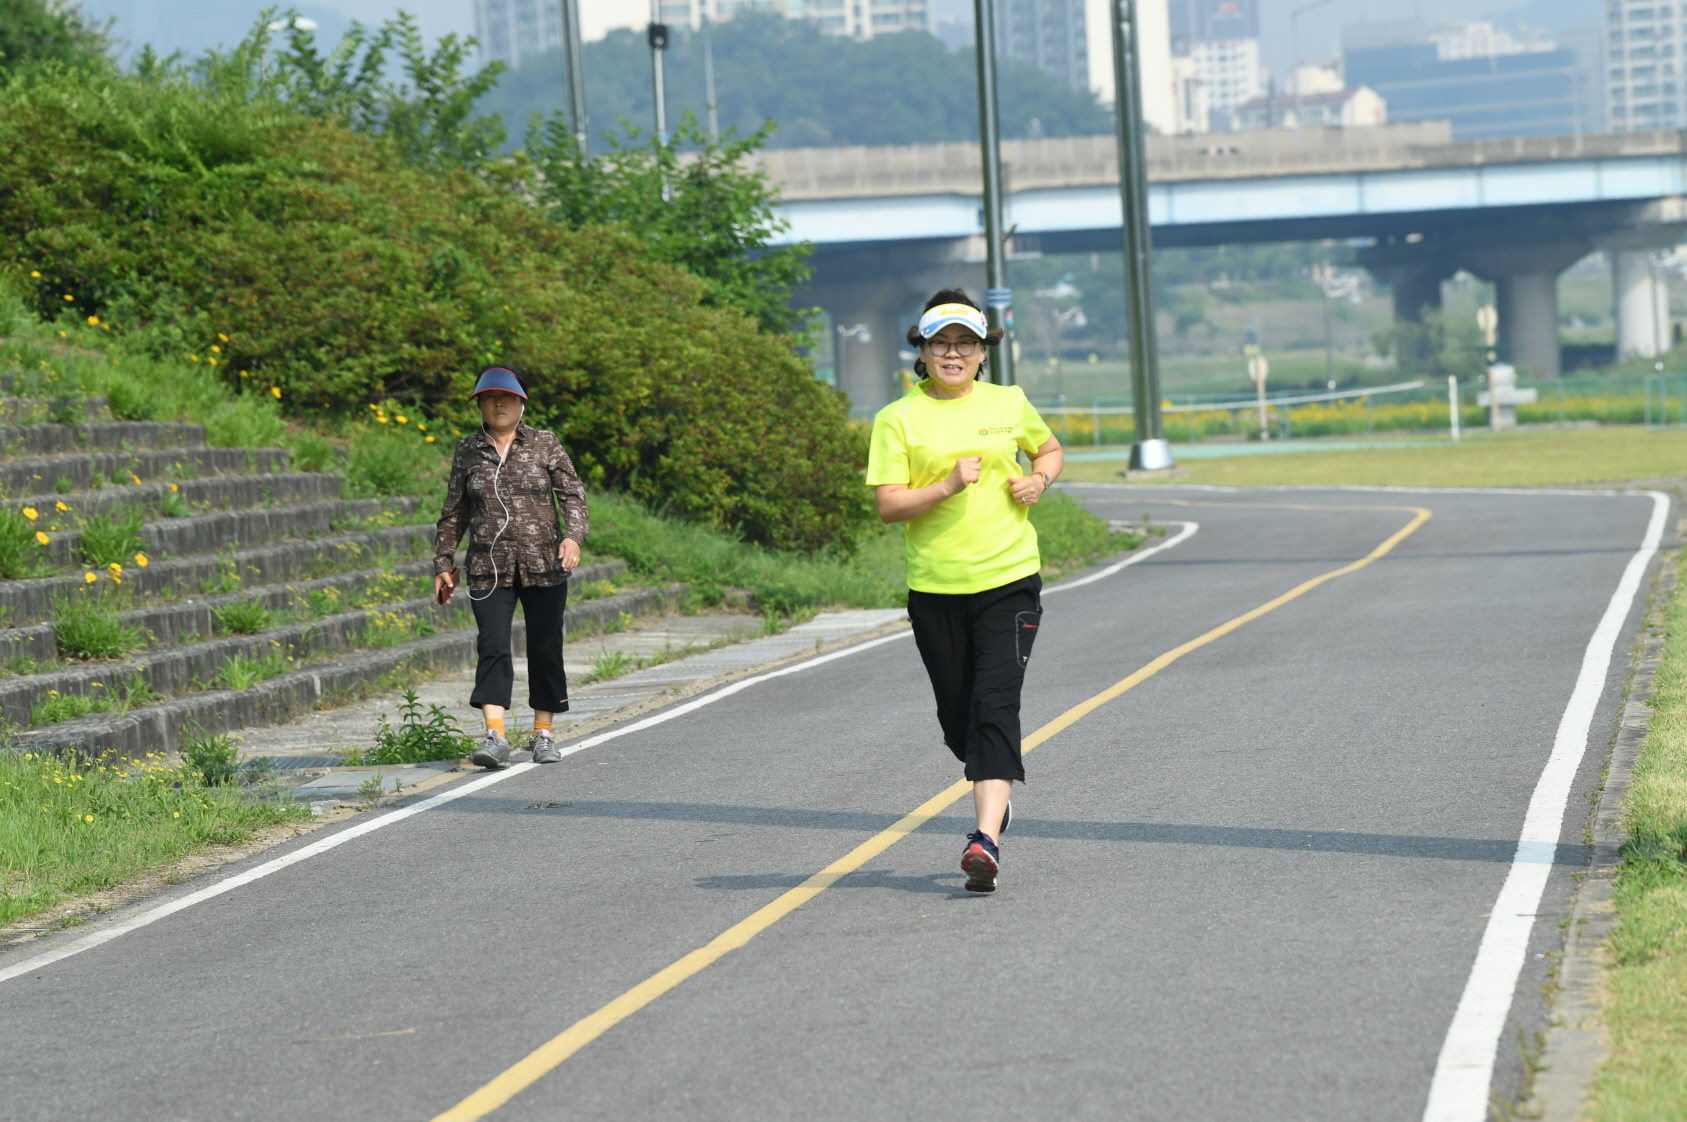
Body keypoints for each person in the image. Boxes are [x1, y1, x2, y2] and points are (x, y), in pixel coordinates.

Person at [866, 289, 1064, 893]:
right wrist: (949, 484)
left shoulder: (1010, 402)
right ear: (922, 352)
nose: (954, 353)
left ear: (984, 352)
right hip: (936, 589)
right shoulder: (897, 418)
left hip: (1009, 581)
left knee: (994, 708)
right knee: (960, 722)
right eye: (941, 343)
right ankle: (992, 791)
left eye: (966, 343)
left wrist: (1038, 480)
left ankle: (984, 840)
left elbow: (1050, 449)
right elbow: (888, 505)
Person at [433, 365, 588, 769]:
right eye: (489, 398)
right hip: (489, 567)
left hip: (544, 565)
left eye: (505, 397)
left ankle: (543, 733)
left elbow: (573, 495)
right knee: (494, 646)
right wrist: (443, 564)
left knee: (544, 647)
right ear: (480, 405)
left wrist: (573, 537)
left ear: (521, 401)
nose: (498, 404)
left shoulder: (545, 444)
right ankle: (494, 735)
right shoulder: (468, 451)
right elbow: (454, 513)